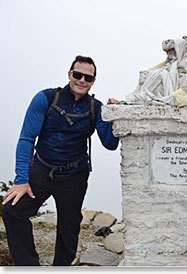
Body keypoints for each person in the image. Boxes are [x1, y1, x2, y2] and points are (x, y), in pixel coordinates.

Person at [1, 55, 120, 266]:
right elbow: (26, 139)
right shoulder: (46, 99)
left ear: (93, 81)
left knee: (69, 227)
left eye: (88, 78)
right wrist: (21, 180)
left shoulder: (96, 108)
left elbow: (110, 144)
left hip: (74, 176)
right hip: (41, 170)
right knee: (12, 211)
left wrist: (116, 116)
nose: (82, 80)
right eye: (78, 75)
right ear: (69, 74)